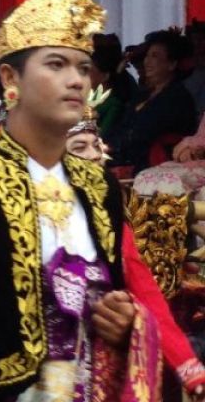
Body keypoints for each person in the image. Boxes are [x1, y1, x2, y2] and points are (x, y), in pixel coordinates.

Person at [0, 0, 158, 401]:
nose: (76, 80)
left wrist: (124, 321)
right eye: (56, 64)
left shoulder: (100, 187)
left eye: (83, 68)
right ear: (10, 78)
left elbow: (113, 299)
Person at [66, 94, 205, 398]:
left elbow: (147, 293)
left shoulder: (109, 216)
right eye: (79, 148)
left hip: (91, 365)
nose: (92, 156)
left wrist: (190, 370)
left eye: (95, 145)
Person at [108, 29, 196, 171]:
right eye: (147, 55)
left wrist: (113, 146)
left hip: (153, 166)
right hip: (125, 158)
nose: (147, 61)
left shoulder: (177, 97)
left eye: (154, 56)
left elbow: (144, 133)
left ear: (172, 64)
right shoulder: (143, 95)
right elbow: (122, 126)